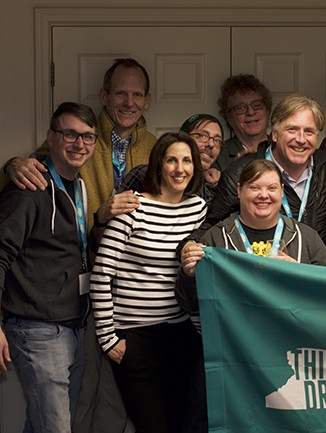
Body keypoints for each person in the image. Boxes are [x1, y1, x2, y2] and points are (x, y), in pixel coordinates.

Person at [175, 158, 326, 433]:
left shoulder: (304, 237)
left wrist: (299, 272)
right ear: (239, 191)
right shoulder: (216, 238)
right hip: (230, 359)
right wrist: (189, 274)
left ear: (282, 191)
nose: (264, 195)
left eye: (272, 188)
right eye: (254, 187)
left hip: (289, 361)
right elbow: (189, 303)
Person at [89, 132, 207, 433]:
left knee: (183, 423)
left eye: (186, 160)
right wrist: (108, 338)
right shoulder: (133, 208)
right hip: (135, 337)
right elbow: (102, 274)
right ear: (158, 165)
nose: (180, 169)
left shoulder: (198, 209)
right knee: (152, 426)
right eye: (171, 160)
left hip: (181, 334)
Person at [0, 102, 97, 432]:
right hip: (37, 328)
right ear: (50, 137)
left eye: (87, 136)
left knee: (43, 424)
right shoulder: (29, 187)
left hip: (73, 324)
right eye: (70, 134)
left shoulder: (78, 185)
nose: (79, 143)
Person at [1, 58, 155, 232]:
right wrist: (12, 165)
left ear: (147, 101)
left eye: (137, 95)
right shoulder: (78, 137)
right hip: (81, 251)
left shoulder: (155, 147)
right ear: (104, 96)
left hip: (133, 255)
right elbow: (32, 170)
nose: (128, 102)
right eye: (120, 93)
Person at [202, 94, 326, 244]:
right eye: (292, 130)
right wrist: (189, 245)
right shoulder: (241, 172)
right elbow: (212, 227)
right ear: (275, 134)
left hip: (313, 266)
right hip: (261, 265)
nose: (301, 139)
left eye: (309, 131)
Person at [118, 113, 224, 203]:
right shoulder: (142, 174)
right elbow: (115, 213)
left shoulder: (213, 186)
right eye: (202, 136)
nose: (211, 144)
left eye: (217, 140)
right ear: (183, 139)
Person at [213, 74, 273, 172]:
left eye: (257, 104)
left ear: (267, 110)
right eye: (240, 108)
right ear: (229, 117)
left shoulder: (283, 148)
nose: (250, 112)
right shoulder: (218, 155)